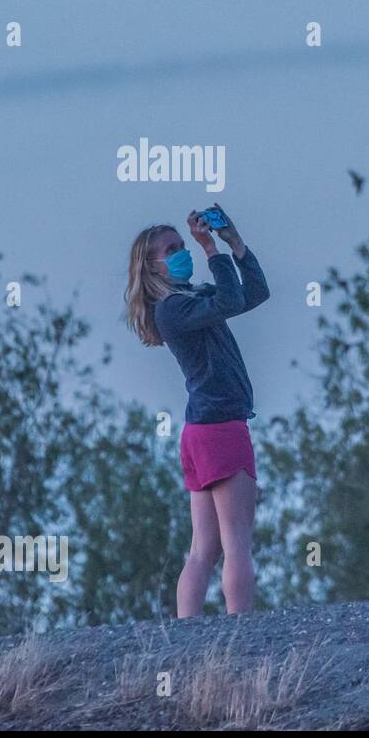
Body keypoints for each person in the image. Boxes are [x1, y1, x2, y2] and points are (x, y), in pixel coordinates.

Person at [123, 204, 270, 616]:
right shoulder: (173, 310)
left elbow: (250, 295)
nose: (180, 251)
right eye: (170, 249)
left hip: (201, 431)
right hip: (220, 428)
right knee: (237, 540)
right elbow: (227, 299)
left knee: (203, 549)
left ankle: (185, 640)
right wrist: (210, 250)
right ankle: (241, 630)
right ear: (151, 267)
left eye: (181, 244)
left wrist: (234, 244)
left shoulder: (188, 300)